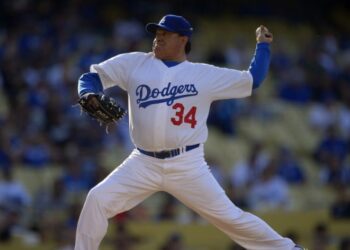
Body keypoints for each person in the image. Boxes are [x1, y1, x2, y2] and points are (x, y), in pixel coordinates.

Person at [74, 14, 307, 250]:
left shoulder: (203, 74)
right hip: (142, 162)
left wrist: (263, 46)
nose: (158, 38)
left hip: (186, 163)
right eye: (157, 33)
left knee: (230, 218)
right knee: (96, 200)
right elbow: (92, 76)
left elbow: (253, 80)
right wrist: (88, 93)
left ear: (183, 39)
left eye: (165, 34)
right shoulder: (135, 63)